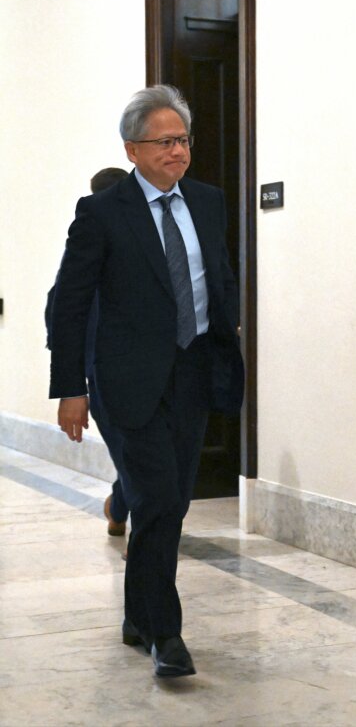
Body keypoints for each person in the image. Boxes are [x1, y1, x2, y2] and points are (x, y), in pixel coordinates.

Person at [49, 85, 244, 678]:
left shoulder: (208, 202)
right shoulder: (103, 213)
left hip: (193, 372)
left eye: (183, 139)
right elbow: (70, 303)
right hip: (126, 380)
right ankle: (167, 634)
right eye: (164, 142)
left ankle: (138, 613)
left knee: (171, 503)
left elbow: (219, 276)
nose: (178, 152)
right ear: (132, 149)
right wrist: (70, 386)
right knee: (157, 497)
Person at [46, 167, 131, 537]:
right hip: (103, 372)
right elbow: (63, 308)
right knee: (131, 454)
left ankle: (120, 505)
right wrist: (73, 387)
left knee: (137, 454)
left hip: (136, 367)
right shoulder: (88, 239)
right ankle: (138, 523)